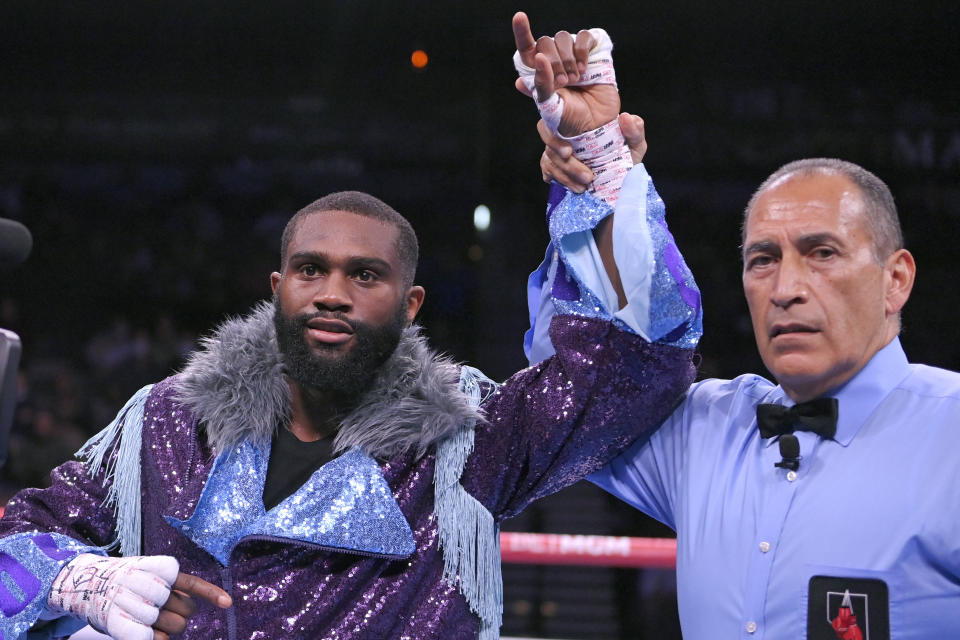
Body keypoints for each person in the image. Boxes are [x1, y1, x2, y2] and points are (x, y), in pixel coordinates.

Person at [0, 97, 701, 640]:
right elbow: (15, 537)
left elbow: (636, 370)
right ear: (278, 290)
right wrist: (74, 577)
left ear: (410, 305)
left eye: (365, 275)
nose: (333, 292)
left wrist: (601, 165)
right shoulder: (167, 420)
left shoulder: (469, 437)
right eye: (312, 269)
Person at [516, 14, 960, 640]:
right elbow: (571, 396)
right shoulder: (705, 430)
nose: (786, 289)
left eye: (823, 253)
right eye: (763, 260)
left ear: (896, 280)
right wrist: (600, 160)